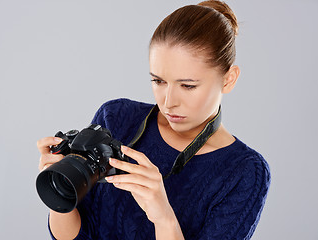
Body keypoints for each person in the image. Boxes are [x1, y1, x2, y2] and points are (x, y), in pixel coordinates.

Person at [37, 1, 271, 239]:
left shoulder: (244, 172)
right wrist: (60, 186)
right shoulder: (116, 118)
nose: (169, 102)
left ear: (229, 80)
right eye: (158, 81)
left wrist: (163, 217)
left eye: (188, 85)